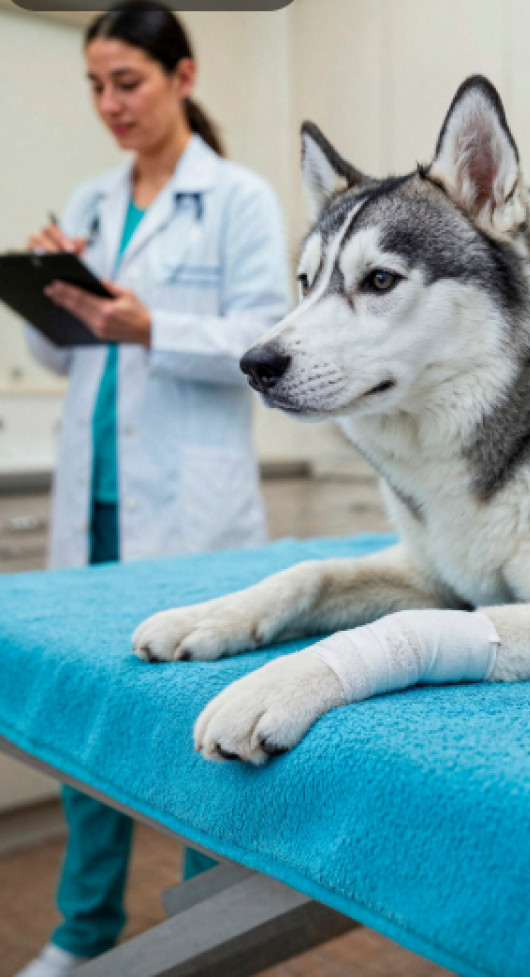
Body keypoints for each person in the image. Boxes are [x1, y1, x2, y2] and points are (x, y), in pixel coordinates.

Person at [15, 3, 289, 975]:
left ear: (181, 75)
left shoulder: (239, 199)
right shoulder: (92, 198)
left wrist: (149, 325)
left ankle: (202, 932)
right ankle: (83, 928)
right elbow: (60, 356)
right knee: (91, 720)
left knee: (194, 732)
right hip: (94, 492)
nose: (108, 102)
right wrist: (57, 293)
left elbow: (267, 340)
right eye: (94, 84)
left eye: (125, 81)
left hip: (189, 503)